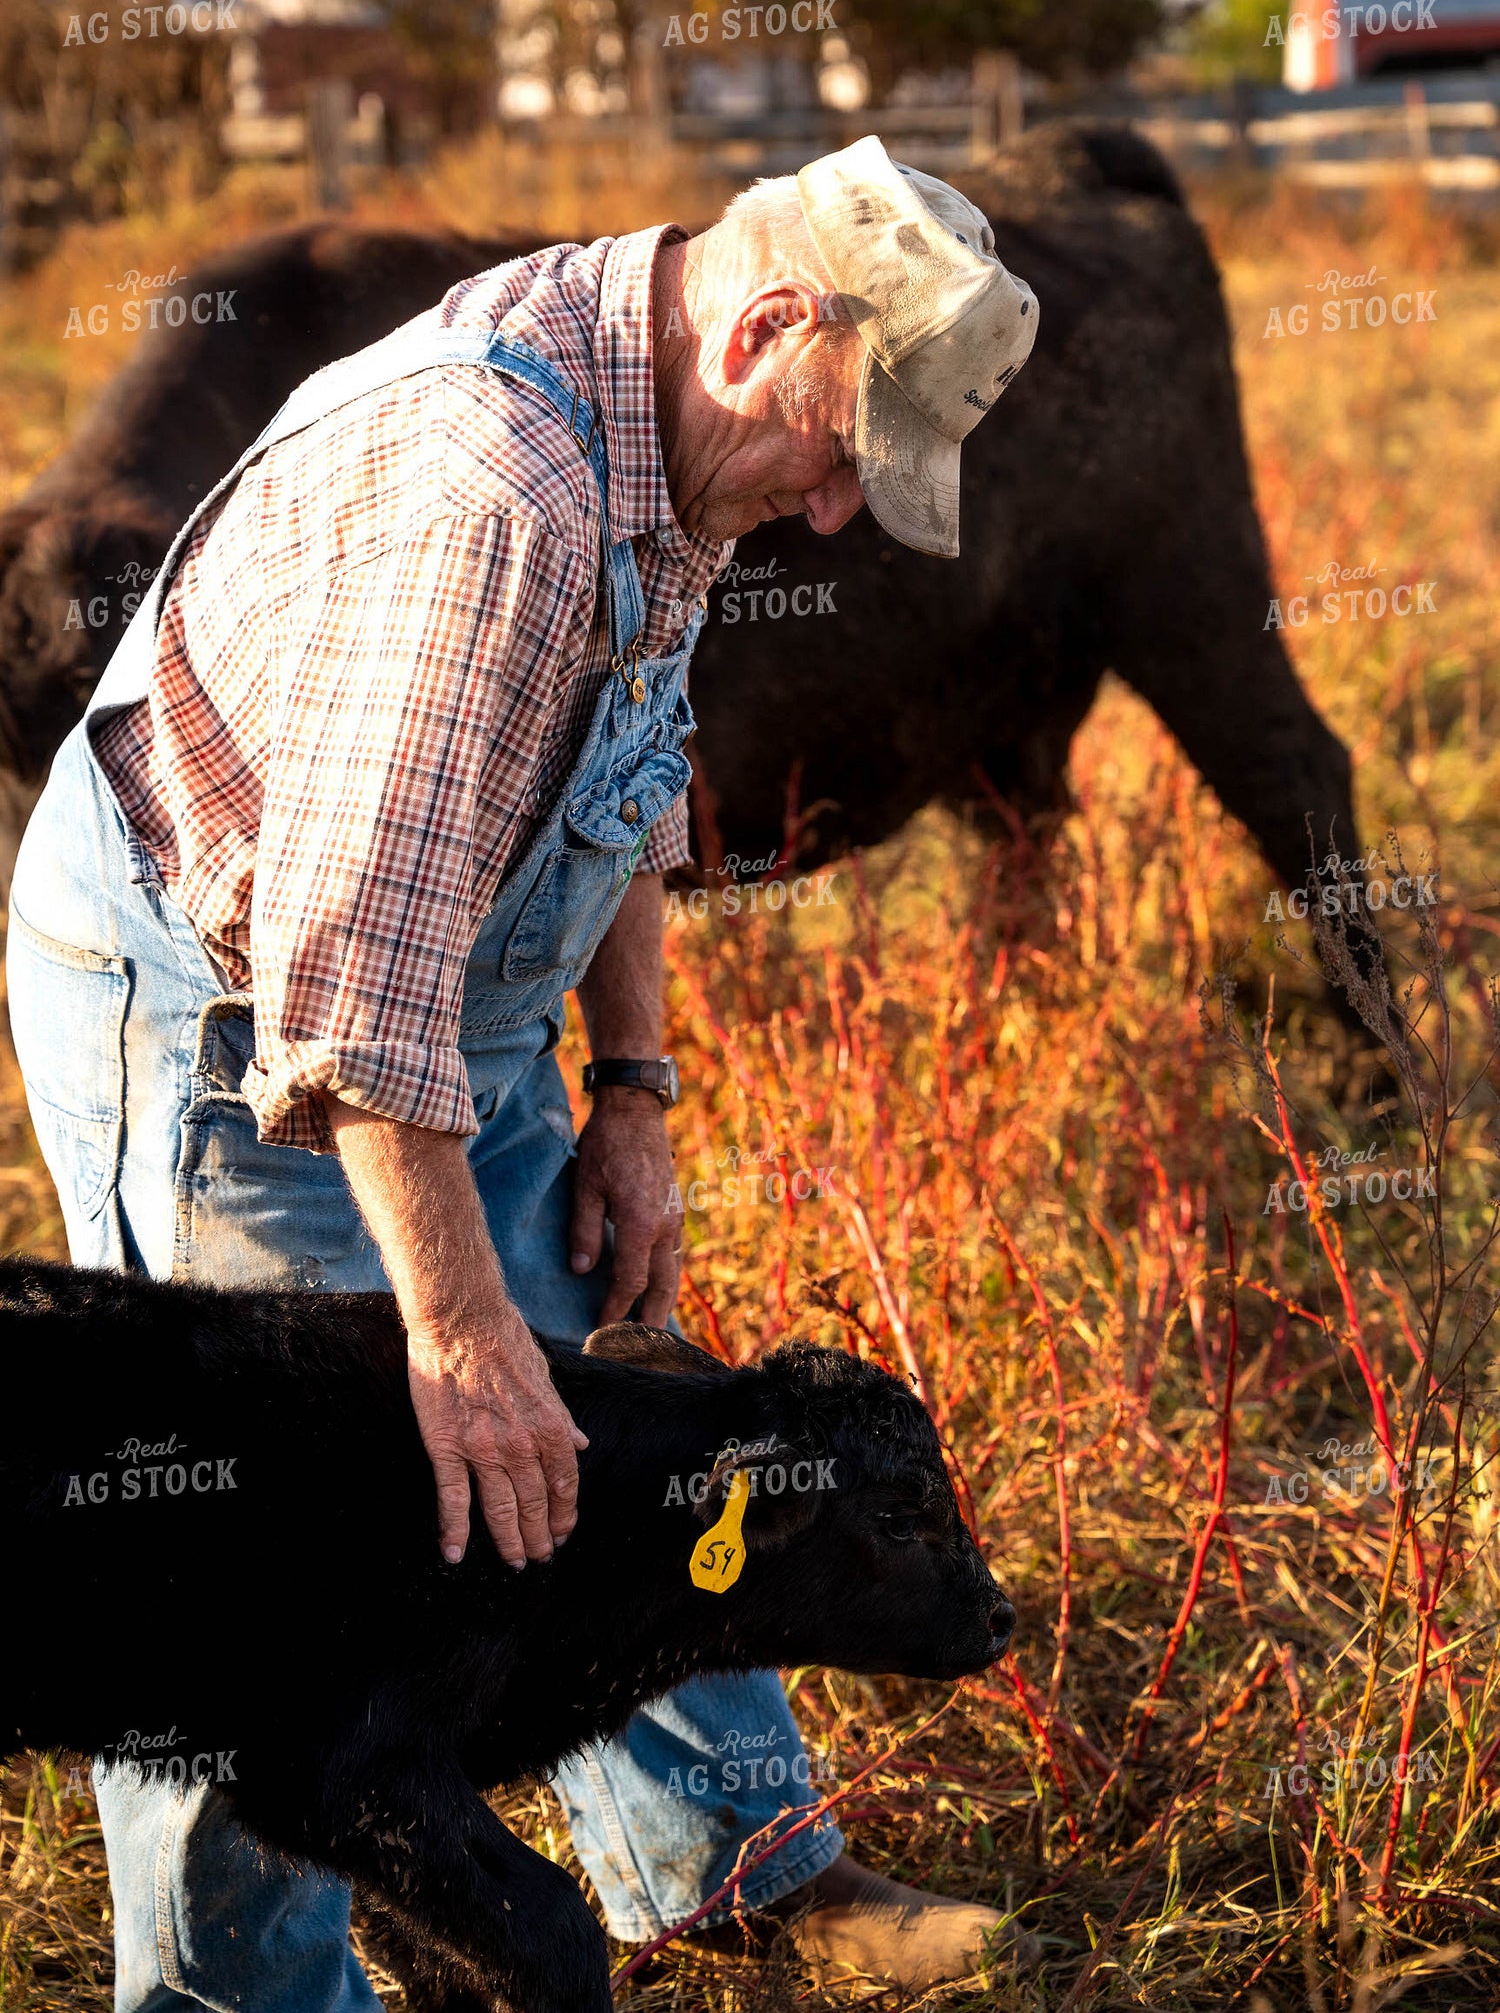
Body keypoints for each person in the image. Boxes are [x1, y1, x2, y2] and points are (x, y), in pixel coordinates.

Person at [7, 134, 1038, 2007]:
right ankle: (247, 1993)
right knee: (265, 1551)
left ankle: (723, 1864)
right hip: (234, 995)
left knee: (622, 1409)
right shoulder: (498, 489)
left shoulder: (674, 422)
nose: (830, 514)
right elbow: (343, 967)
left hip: (446, 979)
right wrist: (455, 1328)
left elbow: (631, 766)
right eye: (837, 446)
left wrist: (632, 1085)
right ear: (766, 330)